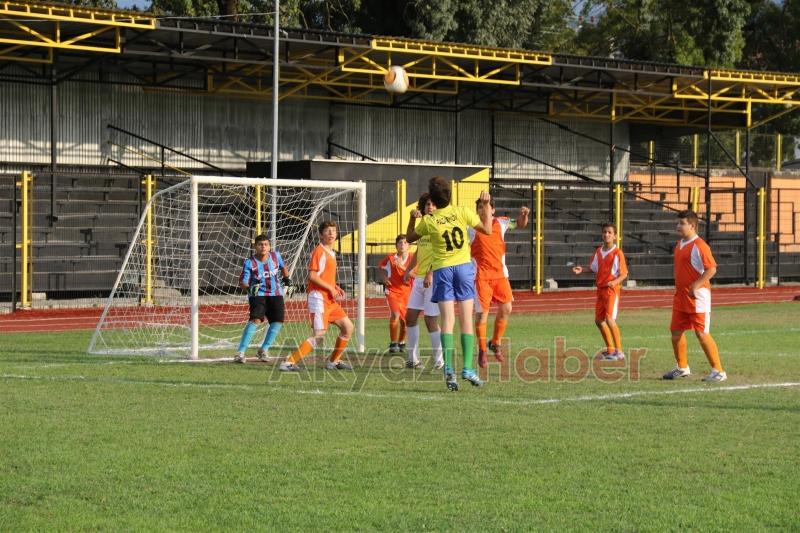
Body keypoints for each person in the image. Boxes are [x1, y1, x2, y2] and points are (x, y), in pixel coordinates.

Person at [406, 176, 492, 391]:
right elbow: (488, 230)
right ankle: (468, 369)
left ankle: (449, 370)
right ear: (449, 195)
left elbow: (409, 238)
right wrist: (487, 205)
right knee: (466, 320)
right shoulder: (462, 211)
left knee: (447, 321)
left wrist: (412, 219)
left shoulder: (429, 220)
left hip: (442, 271)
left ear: (432, 199)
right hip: (463, 269)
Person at [279, 221, 354, 372]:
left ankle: (333, 361)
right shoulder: (319, 251)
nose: (331, 233)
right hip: (318, 298)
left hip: (329, 299)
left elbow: (323, 276)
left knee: (348, 327)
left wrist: (335, 287)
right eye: (327, 231)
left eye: (333, 231)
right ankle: (288, 362)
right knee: (319, 335)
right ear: (321, 235)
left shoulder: (331, 252)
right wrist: (329, 288)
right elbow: (312, 276)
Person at [662, 210, 727, 382]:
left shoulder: (700, 246)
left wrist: (696, 285)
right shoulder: (679, 244)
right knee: (675, 332)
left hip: (698, 298)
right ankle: (682, 367)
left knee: (702, 334)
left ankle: (718, 371)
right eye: (677, 223)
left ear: (692, 225)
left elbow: (711, 268)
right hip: (681, 297)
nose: (678, 226)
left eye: (681, 223)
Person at [470, 197, 529, 368]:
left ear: (493, 210)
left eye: (486, 206)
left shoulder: (501, 222)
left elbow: (519, 223)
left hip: (500, 275)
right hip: (481, 276)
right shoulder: (471, 227)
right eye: (480, 207)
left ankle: (495, 342)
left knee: (507, 308)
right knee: (482, 315)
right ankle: (482, 351)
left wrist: (524, 215)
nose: (483, 210)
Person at [572, 223, 628, 361]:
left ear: (615, 236)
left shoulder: (617, 253)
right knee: (598, 321)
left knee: (609, 319)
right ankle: (610, 350)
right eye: (604, 232)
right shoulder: (599, 251)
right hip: (600, 290)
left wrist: (614, 282)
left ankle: (619, 352)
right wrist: (582, 270)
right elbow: (594, 268)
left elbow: (624, 274)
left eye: (610, 232)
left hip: (611, 291)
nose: (606, 234)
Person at [402, 193, 444, 370]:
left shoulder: (440, 225)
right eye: (427, 204)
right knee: (410, 317)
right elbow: (416, 245)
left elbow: (442, 253)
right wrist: (408, 269)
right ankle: (413, 359)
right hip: (419, 278)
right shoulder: (423, 224)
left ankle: (439, 361)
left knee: (430, 320)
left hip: (432, 279)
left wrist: (430, 273)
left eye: (433, 204)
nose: (430, 207)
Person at [234, 234, 290, 363]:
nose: (263, 247)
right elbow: (243, 281)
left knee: (278, 321)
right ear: (255, 247)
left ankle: (263, 349)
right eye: (260, 244)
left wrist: (287, 281)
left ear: (269, 246)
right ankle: (240, 352)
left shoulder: (276, 256)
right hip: (258, 295)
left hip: (276, 294)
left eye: (265, 244)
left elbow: (283, 267)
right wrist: (249, 288)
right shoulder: (250, 262)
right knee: (256, 320)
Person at [378, 234, 415, 353]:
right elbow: (381, 267)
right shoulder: (390, 258)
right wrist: (384, 278)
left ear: (409, 245)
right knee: (395, 314)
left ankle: (401, 342)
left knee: (405, 320)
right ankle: (393, 343)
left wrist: (402, 267)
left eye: (405, 242)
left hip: (407, 292)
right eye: (400, 243)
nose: (402, 245)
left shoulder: (413, 258)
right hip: (392, 290)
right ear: (396, 245)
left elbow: (416, 275)